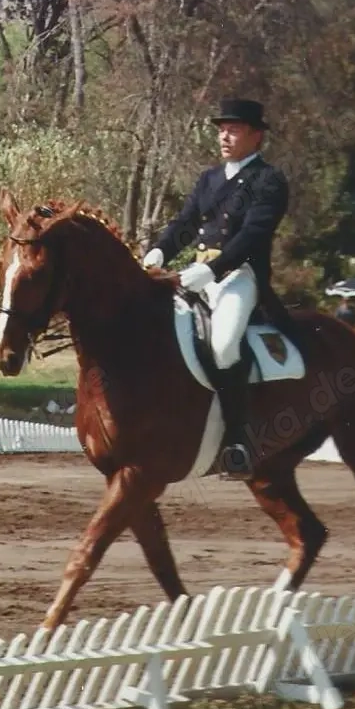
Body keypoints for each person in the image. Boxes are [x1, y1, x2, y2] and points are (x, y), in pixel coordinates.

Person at [142, 97, 290, 471]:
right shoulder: (209, 178)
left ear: (256, 136)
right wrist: (160, 251)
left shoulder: (268, 180)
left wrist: (213, 270)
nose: (225, 136)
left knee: (224, 346)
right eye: (222, 130)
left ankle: (238, 440)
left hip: (240, 276)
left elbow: (252, 236)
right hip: (198, 273)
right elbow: (187, 223)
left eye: (234, 129)